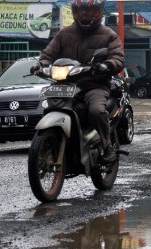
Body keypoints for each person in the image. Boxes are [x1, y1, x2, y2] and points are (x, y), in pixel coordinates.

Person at [34, 0, 124, 162]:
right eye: (81, 10)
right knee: (49, 106)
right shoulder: (63, 34)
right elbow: (47, 56)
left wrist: (106, 65)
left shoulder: (109, 35)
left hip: (94, 85)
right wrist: (41, 66)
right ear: (75, 11)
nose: (84, 14)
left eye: (89, 10)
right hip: (66, 85)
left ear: (99, 11)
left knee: (96, 110)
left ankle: (107, 146)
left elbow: (117, 58)